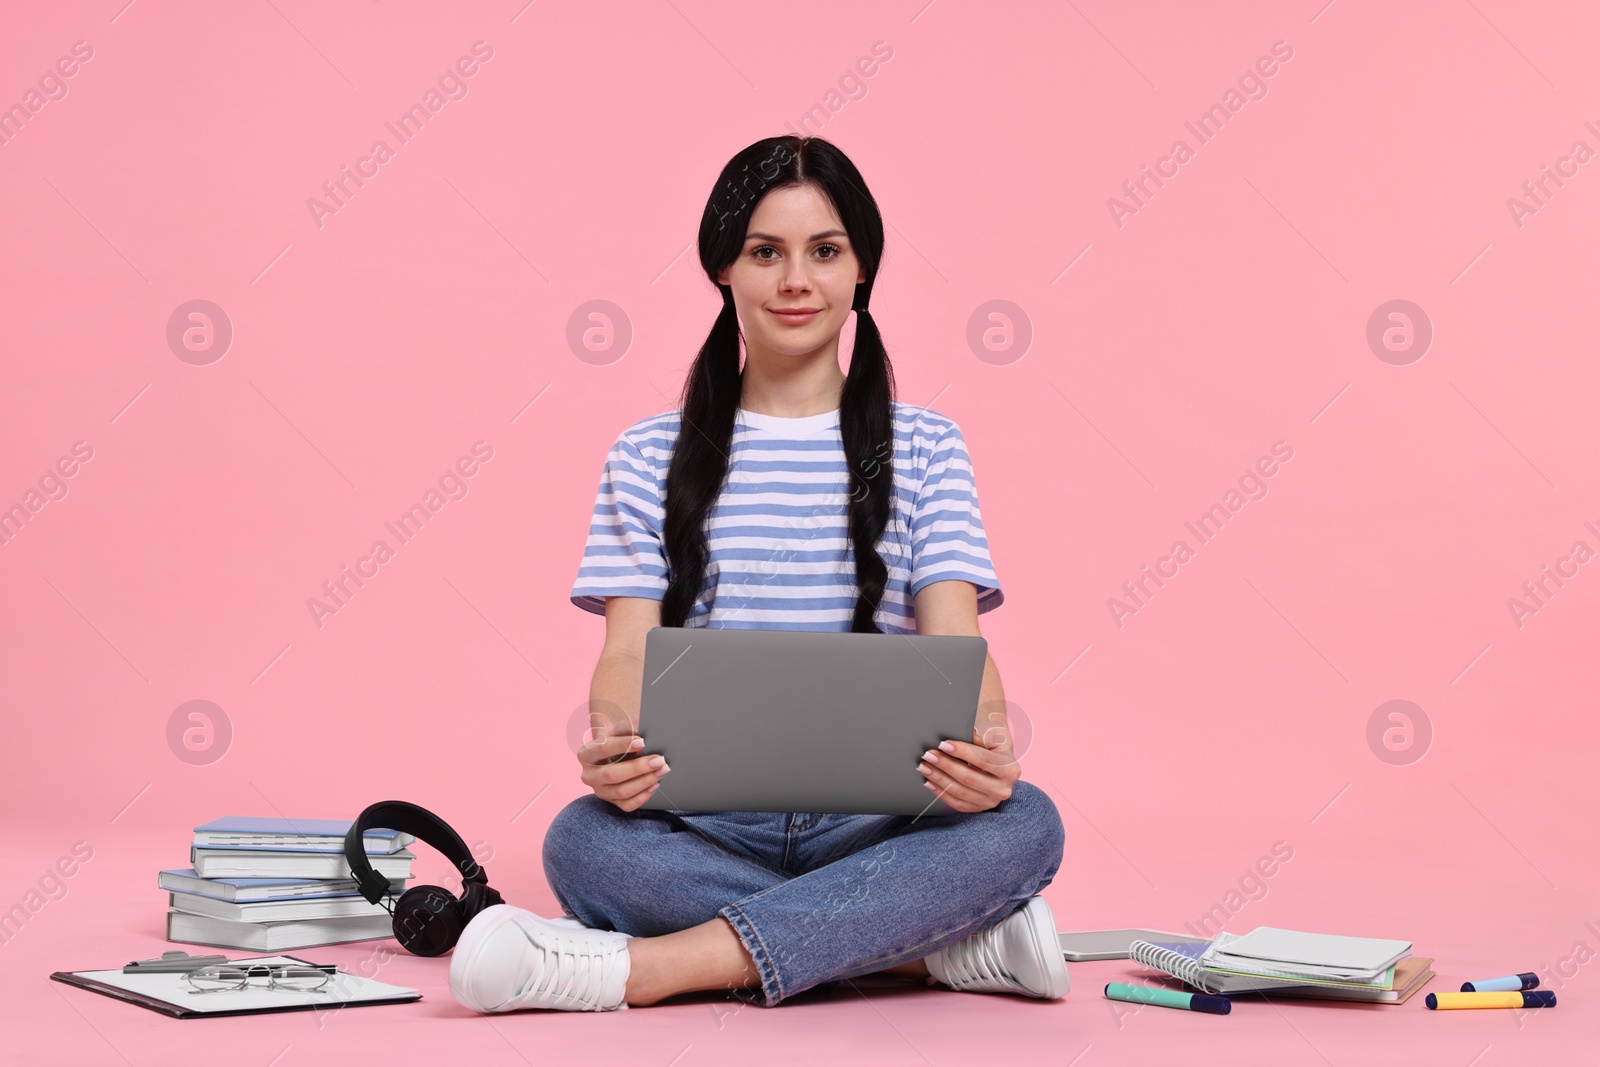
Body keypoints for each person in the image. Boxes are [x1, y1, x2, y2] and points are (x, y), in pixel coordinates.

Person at [448, 135, 1067, 1014]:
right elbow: (628, 649)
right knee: (581, 841)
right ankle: (926, 949)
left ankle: (641, 970)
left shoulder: (927, 446)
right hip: (706, 818)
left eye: (825, 251)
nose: (795, 281)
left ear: (862, 271)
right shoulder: (648, 453)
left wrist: (991, 748)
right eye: (764, 252)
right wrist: (616, 742)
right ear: (723, 271)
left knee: (1028, 821)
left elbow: (957, 639)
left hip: (878, 823)